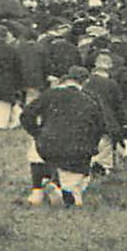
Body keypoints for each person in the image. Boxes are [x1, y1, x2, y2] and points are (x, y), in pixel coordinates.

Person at [19, 66, 108, 207]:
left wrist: (37, 133)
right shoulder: (92, 100)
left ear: (66, 80)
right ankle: (64, 191)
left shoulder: (50, 94)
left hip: (48, 146)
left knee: (35, 151)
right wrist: (91, 146)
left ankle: (38, 191)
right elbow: (101, 128)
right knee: (75, 195)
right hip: (78, 153)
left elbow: (26, 115)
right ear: (85, 82)